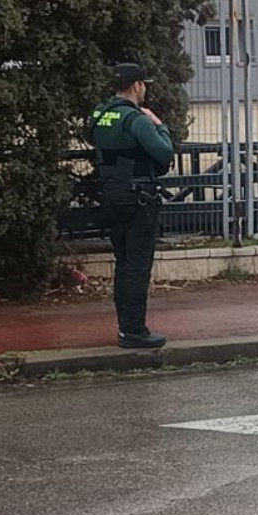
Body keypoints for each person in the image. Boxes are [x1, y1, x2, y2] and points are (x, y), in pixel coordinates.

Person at [90, 62, 175, 348]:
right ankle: (134, 331)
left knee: (123, 263)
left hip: (111, 196)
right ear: (136, 85)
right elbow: (163, 152)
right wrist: (160, 126)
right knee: (138, 266)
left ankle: (124, 326)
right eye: (144, 84)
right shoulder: (137, 119)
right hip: (139, 198)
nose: (145, 89)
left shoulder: (99, 114)